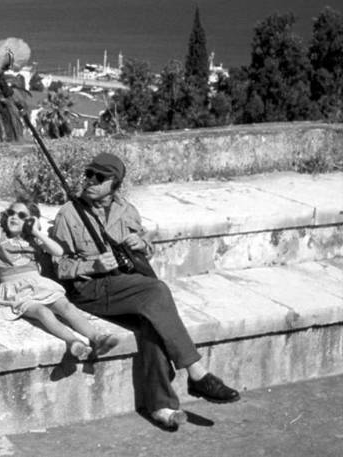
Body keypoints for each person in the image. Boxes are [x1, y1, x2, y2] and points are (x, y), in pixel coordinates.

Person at [50, 152, 240, 430]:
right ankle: (197, 373)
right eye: (87, 174)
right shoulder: (69, 214)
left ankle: (162, 406)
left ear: (115, 183)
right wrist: (93, 264)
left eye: (99, 177)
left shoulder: (127, 211)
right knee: (157, 292)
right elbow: (60, 267)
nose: (90, 181)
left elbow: (143, 251)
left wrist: (141, 245)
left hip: (125, 284)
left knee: (153, 323)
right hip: (90, 288)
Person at [0, 199, 120, 361]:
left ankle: (97, 337)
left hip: (39, 285)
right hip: (15, 292)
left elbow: (58, 251)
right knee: (42, 312)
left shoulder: (34, 240)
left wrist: (37, 232)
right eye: (11, 213)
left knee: (66, 306)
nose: (14, 218)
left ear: (30, 221)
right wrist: (1, 216)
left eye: (21, 215)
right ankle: (73, 341)